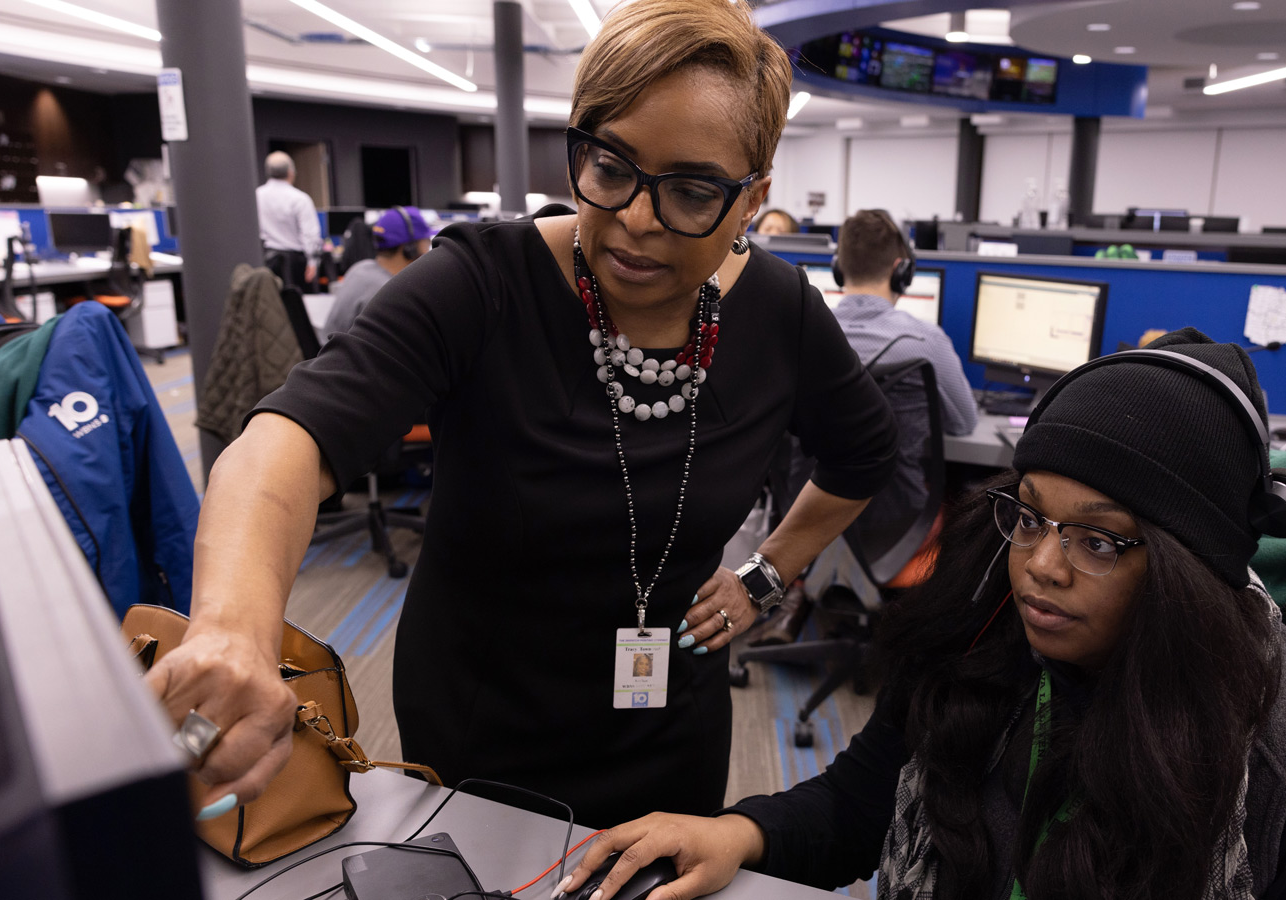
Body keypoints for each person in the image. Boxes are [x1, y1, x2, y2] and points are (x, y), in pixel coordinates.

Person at [143, 0, 896, 831]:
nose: (637, 221)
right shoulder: (481, 284)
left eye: (690, 191)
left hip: (671, 727)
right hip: (478, 728)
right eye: (610, 166)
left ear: (752, 200)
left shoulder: (781, 313)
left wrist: (767, 571)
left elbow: (863, 451)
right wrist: (235, 630)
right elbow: (284, 442)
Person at [557, 328, 1286, 900]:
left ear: (1192, 569)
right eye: (1030, 516)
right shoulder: (983, 635)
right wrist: (741, 832)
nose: (1041, 568)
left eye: (1101, 540)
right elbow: (863, 800)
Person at [752, 209, 978, 645]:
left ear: (838, 268)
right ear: (903, 270)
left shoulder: (798, 332)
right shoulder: (925, 341)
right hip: (898, 524)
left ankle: (807, 598)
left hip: (807, 516)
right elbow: (965, 423)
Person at [321, 206, 434, 341]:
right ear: (410, 248)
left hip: (331, 357)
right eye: (427, 242)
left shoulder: (359, 268)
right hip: (353, 361)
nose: (429, 250)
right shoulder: (391, 292)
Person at [256, 151, 322, 291]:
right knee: (297, 306)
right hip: (295, 266)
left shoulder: (256, 196)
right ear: (291, 172)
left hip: (265, 262)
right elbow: (310, 234)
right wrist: (312, 262)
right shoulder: (300, 199)